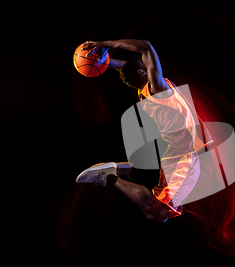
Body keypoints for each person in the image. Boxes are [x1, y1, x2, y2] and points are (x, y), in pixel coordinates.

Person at [75, 39, 212, 223]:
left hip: (177, 155)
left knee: (157, 213)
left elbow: (128, 68)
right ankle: (111, 177)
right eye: (144, 65)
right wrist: (107, 44)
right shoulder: (158, 89)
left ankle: (119, 174)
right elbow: (146, 46)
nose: (149, 64)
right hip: (183, 156)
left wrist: (102, 62)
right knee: (157, 211)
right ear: (142, 72)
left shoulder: (147, 92)